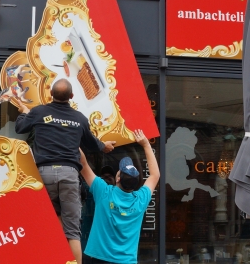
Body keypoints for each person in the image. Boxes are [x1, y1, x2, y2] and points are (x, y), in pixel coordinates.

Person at [15, 79, 115, 264]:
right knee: (73, 232)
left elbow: (20, 127)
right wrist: (105, 146)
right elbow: (93, 144)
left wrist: (25, 113)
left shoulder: (39, 112)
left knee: (47, 225)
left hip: (44, 174)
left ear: (50, 94)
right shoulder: (79, 118)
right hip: (69, 175)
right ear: (71, 96)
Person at [78, 129, 159, 264]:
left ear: (118, 178)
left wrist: (72, 135)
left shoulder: (103, 191)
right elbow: (155, 175)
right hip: (126, 261)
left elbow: (83, 163)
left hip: (98, 259)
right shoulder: (140, 199)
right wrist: (146, 145)